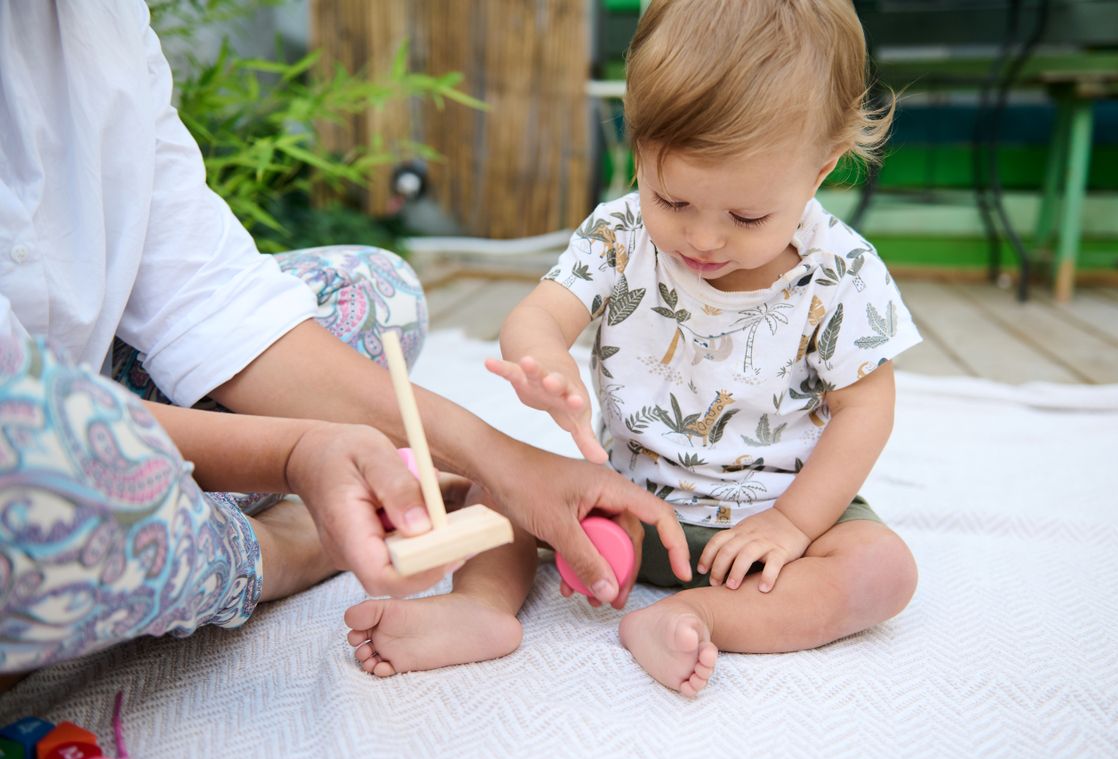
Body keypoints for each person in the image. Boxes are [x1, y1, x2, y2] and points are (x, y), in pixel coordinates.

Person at [0, 1, 691, 681]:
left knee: (376, 293)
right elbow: (23, 420)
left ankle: (265, 500)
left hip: (90, 400)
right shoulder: (619, 233)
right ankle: (283, 546)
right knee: (50, 488)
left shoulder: (102, 21)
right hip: (24, 462)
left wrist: (505, 460)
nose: (708, 238)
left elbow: (205, 303)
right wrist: (296, 456)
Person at [345, 0, 922, 695]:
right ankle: (480, 607)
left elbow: (867, 409)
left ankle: (700, 616)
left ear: (822, 168)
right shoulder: (620, 236)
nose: (703, 239)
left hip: (774, 524)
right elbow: (539, 316)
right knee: (496, 484)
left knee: (881, 569)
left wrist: (794, 524)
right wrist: (545, 360)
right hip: (623, 502)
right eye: (671, 199)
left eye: (746, 215)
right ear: (639, 146)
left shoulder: (841, 271)